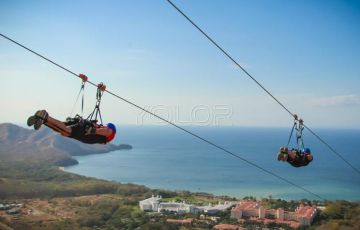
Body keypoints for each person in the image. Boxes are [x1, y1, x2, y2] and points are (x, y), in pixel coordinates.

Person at [27, 110, 116, 144]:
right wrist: (93, 131)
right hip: (83, 129)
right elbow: (107, 131)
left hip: (82, 128)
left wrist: (93, 130)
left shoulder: (102, 137)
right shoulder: (109, 133)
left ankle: (43, 120)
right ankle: (46, 116)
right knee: (66, 131)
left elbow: (104, 130)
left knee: (63, 131)